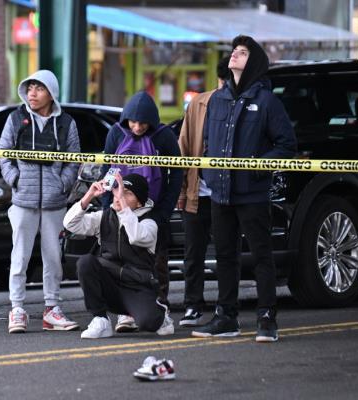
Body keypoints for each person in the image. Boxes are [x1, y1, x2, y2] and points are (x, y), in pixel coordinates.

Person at [192, 36, 296, 342]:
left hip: (252, 193)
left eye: (243, 52)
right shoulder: (218, 99)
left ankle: (267, 318)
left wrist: (258, 165)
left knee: (262, 255)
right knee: (225, 256)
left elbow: (287, 145)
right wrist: (210, 171)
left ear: (255, 62)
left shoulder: (266, 101)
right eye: (234, 51)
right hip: (220, 193)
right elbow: (210, 143)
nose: (235, 55)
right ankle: (226, 317)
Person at [0, 70, 81, 334]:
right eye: (30, 88)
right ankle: (17, 309)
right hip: (23, 200)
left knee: (54, 257)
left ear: (51, 93)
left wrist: (64, 184)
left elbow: (74, 158)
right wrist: (14, 178)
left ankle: (52, 309)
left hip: (55, 203)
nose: (32, 93)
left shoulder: (67, 123)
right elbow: (3, 153)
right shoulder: (16, 119)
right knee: (19, 256)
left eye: (39, 88)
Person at [102, 91, 182, 333]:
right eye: (132, 122)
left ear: (152, 121)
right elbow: (107, 168)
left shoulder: (163, 136)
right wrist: (108, 207)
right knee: (120, 260)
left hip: (153, 209)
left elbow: (176, 172)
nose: (136, 127)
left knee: (156, 262)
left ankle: (160, 307)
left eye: (142, 123)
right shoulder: (116, 132)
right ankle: (125, 313)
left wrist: (165, 209)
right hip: (119, 206)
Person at [64, 172, 175, 339]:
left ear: (140, 202)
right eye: (117, 191)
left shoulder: (149, 222)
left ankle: (160, 313)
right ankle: (100, 319)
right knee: (85, 262)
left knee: (149, 323)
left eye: (127, 193)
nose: (118, 196)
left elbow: (136, 236)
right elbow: (70, 224)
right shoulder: (105, 216)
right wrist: (88, 196)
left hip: (137, 288)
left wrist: (122, 206)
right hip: (110, 286)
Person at [176, 57, 231, 327]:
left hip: (227, 193)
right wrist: (183, 192)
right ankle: (192, 305)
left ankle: (225, 307)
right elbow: (184, 146)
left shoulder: (241, 104)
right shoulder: (199, 104)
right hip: (199, 191)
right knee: (193, 252)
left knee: (226, 252)